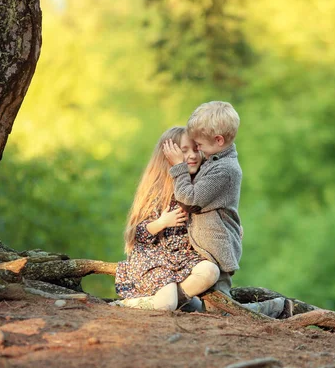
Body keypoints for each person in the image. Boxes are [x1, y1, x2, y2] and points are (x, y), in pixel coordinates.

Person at [163, 101, 293, 318]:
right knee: (209, 305)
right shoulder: (214, 159)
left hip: (217, 248)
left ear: (219, 140)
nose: (198, 151)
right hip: (207, 248)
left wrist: (179, 167)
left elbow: (189, 199)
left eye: (200, 145)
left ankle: (276, 308)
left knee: (221, 310)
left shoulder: (225, 169)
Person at [113, 127, 219, 311]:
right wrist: (162, 222)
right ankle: (129, 304)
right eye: (184, 151)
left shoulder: (200, 186)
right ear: (168, 155)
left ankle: (177, 299)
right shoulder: (157, 190)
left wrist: (230, 229)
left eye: (196, 149)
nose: (192, 155)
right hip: (154, 258)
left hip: (183, 257)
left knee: (210, 271)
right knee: (167, 305)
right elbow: (135, 233)